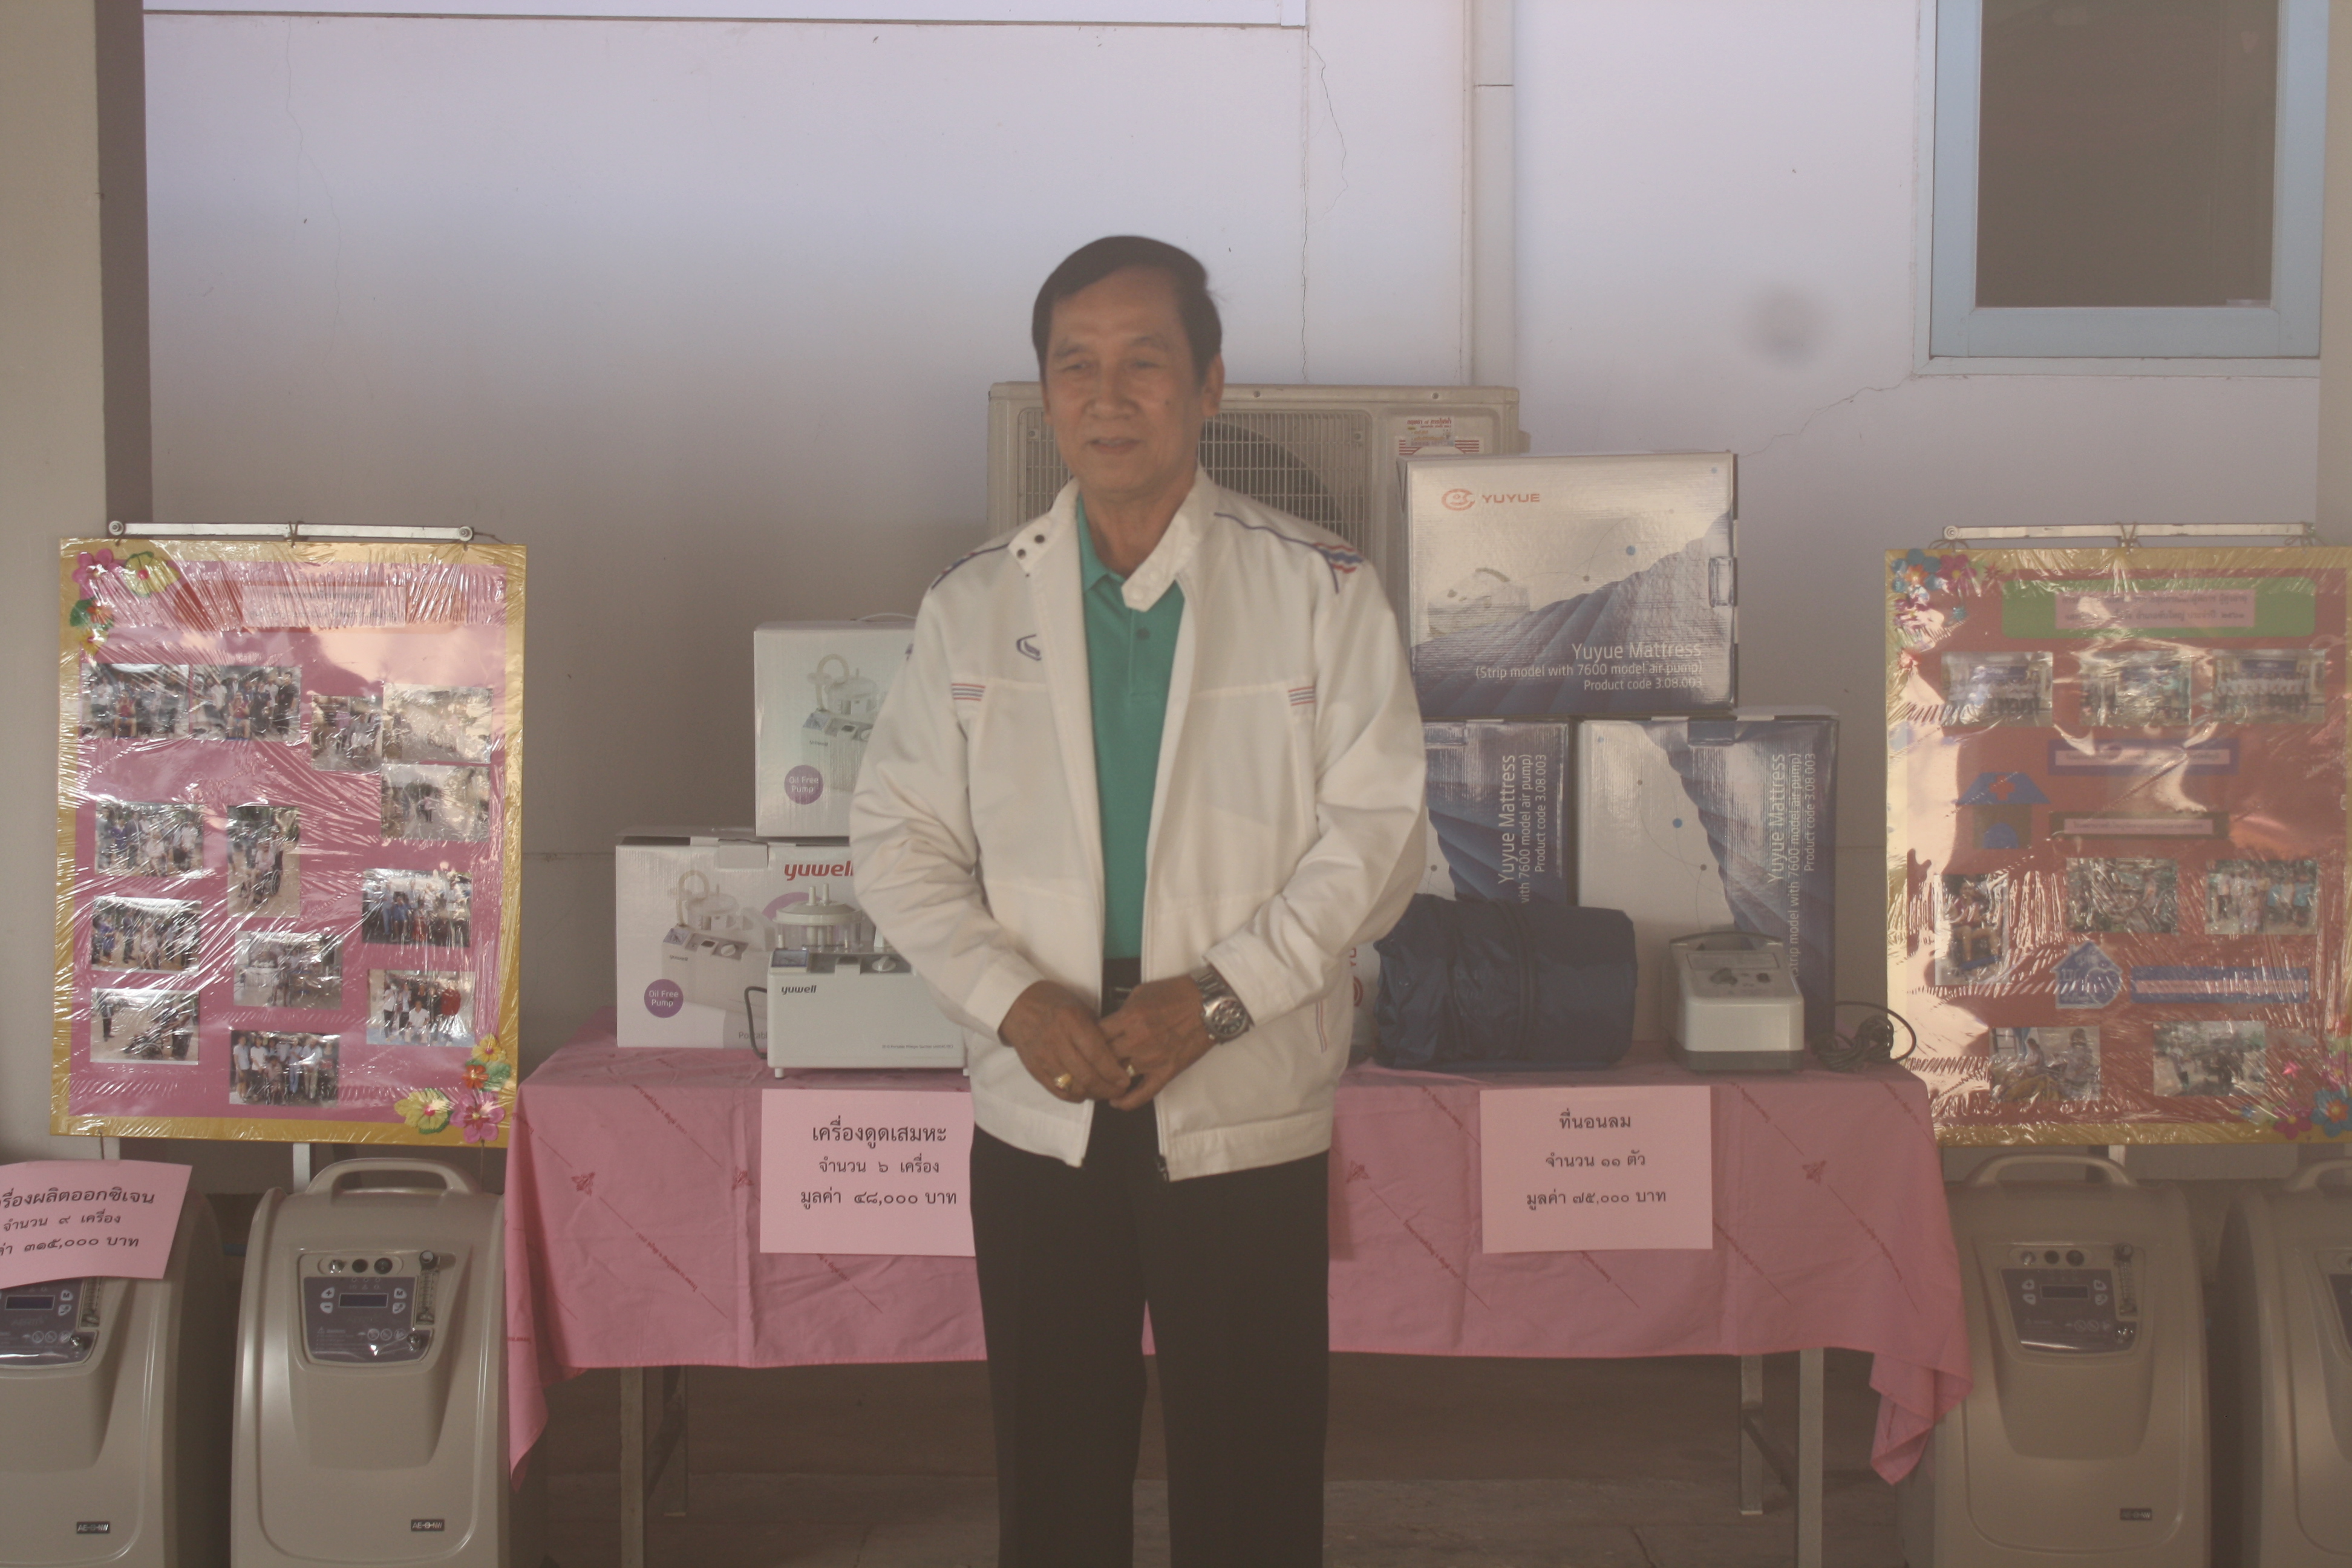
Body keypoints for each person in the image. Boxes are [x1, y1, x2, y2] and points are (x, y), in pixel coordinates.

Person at [851, 235, 1425, 1567]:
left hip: (1238, 1077)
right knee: (1053, 1464)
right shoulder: (972, 603)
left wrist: (1217, 999)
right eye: (1077, 366)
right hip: (1041, 1080)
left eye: (1144, 363)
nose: (1108, 397)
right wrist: (1014, 1002)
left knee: (1251, 1466)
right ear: (1047, 393)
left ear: (1209, 385)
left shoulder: (1321, 590)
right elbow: (897, 839)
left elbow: (1378, 838)